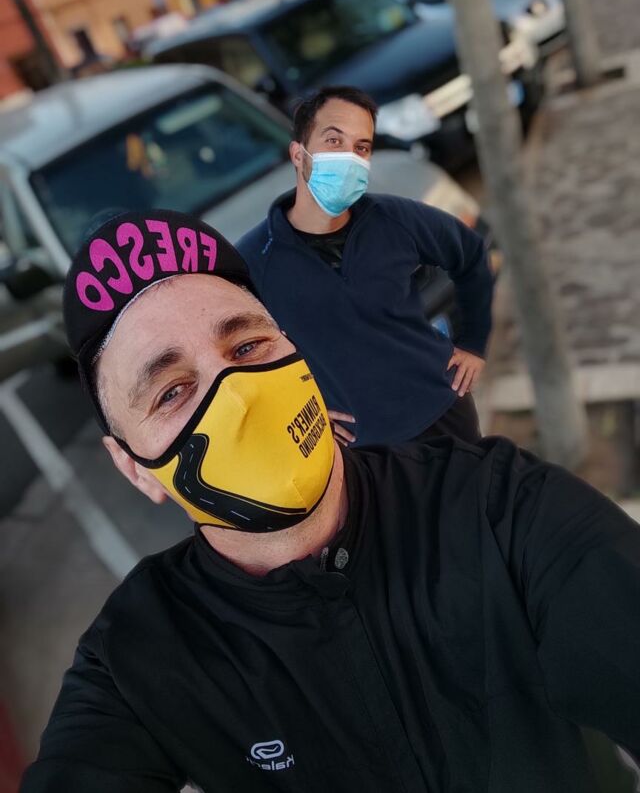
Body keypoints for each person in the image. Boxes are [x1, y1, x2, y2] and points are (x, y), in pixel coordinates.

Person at [22, 209, 640, 793]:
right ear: (135, 468)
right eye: (172, 391)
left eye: (247, 347)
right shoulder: (137, 661)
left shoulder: (497, 505)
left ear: (298, 353)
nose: (237, 395)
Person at [236, 86, 494, 448]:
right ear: (298, 153)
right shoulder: (253, 260)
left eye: (361, 148)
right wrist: (296, 411)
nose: (348, 158)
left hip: (444, 413)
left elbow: (471, 253)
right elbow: (233, 359)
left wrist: (473, 343)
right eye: (334, 141)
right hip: (362, 448)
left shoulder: (394, 217)